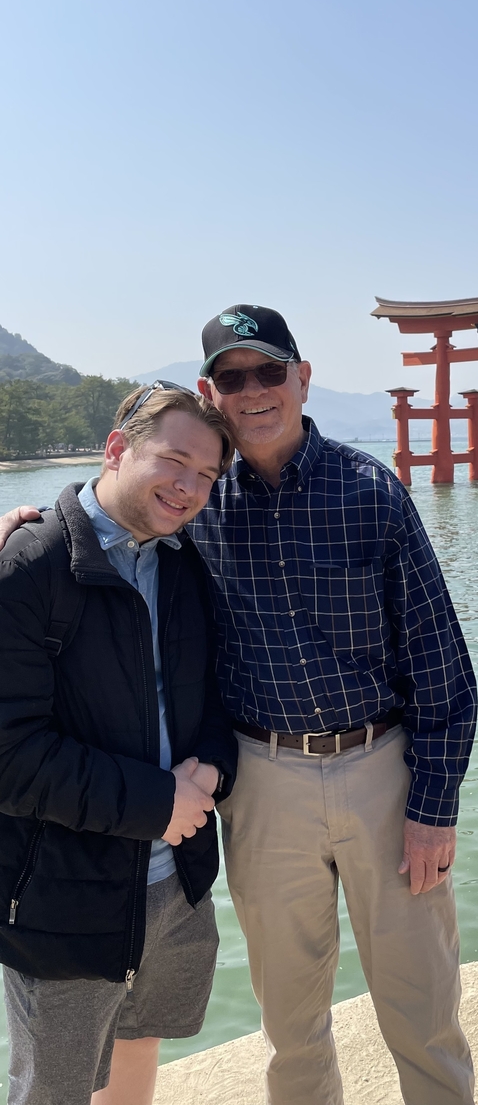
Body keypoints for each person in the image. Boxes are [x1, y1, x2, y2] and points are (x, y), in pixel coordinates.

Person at [0, 305, 478, 1105]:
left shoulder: (369, 491)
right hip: (260, 777)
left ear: (302, 377)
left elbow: (439, 657)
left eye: (269, 371)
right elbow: (106, 512)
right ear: (211, 391)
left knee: (422, 1003)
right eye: (233, 376)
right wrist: (28, 526)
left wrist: (436, 802)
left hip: (379, 765)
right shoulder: (194, 502)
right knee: (290, 1020)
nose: (253, 390)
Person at [0, 384, 238, 1105]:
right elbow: (9, 756)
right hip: (65, 894)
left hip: (175, 882)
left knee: (139, 1053)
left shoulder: (183, 563)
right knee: (54, 1088)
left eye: (206, 475)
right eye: (174, 460)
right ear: (116, 448)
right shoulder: (32, 565)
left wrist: (214, 767)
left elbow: (215, 696)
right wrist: (157, 801)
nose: (189, 486)